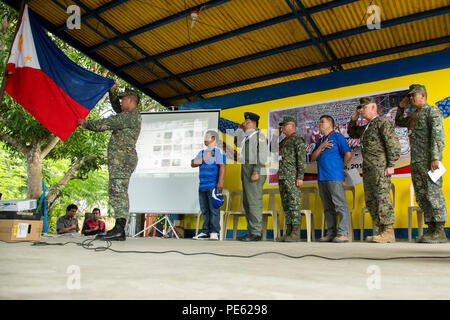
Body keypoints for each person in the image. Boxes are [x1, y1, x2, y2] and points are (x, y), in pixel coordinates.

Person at [78, 82, 142, 241]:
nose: (120, 102)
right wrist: (112, 93)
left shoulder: (129, 116)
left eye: (122, 99)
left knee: (117, 192)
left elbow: (106, 123)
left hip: (123, 160)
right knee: (117, 191)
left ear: (130, 100)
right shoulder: (129, 115)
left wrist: (86, 124)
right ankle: (119, 228)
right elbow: (117, 109)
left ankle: (120, 229)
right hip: (122, 160)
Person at [395, 84, 447, 243]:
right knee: (422, 195)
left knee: (433, 194)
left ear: (423, 95)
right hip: (416, 161)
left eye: (413, 95)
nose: (410, 98)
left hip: (429, 161)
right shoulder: (413, 115)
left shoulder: (431, 111)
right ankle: (431, 229)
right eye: (409, 96)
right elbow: (399, 121)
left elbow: (437, 135)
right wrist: (400, 108)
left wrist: (435, 157)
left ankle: (440, 230)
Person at [347, 97, 400, 243]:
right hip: (369, 170)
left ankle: (389, 231)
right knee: (371, 200)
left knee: (383, 198)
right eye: (360, 108)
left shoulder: (382, 123)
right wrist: (353, 119)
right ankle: (380, 231)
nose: (361, 110)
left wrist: (391, 165)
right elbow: (352, 132)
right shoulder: (367, 127)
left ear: (373, 108)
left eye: (364, 108)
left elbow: (393, 145)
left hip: (381, 169)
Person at [311, 115, 352, 243]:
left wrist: (341, 167)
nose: (320, 124)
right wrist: (321, 146)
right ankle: (331, 232)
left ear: (330, 124)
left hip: (334, 176)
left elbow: (348, 154)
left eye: (322, 122)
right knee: (328, 207)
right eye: (319, 122)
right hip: (322, 177)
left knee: (340, 204)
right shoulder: (320, 141)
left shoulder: (338, 136)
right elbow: (313, 158)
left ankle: (343, 233)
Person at [271, 116, 306, 242]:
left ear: (291, 125)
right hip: (282, 176)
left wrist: (300, 177)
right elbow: (272, 150)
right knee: (286, 205)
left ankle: (295, 233)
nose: (282, 128)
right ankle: (288, 232)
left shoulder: (297, 140)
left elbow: (301, 159)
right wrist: (276, 136)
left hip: (292, 177)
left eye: (284, 125)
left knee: (293, 204)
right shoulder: (284, 140)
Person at [234, 112, 268, 241]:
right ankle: (251, 231)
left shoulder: (259, 136)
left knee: (254, 202)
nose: (245, 124)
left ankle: (256, 233)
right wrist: (239, 129)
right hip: (246, 171)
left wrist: (257, 171)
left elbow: (262, 155)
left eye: (247, 122)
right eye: (245, 122)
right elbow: (237, 142)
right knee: (247, 203)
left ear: (254, 123)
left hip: (255, 170)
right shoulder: (247, 137)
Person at [191, 130, 226, 240]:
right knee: (205, 210)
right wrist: (204, 158)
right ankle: (205, 232)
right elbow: (192, 163)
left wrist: (220, 182)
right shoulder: (202, 152)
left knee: (213, 209)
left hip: (213, 186)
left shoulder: (219, 152)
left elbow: (222, 167)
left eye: (207, 137)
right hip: (202, 186)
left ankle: (214, 232)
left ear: (213, 138)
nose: (205, 139)